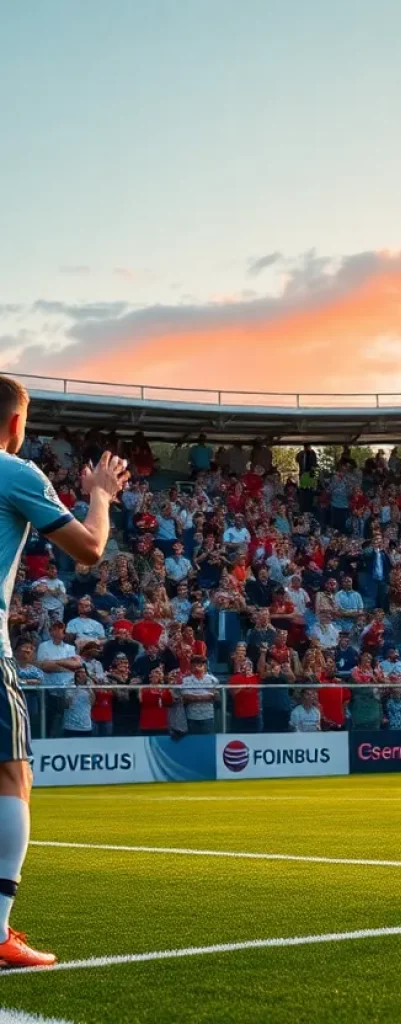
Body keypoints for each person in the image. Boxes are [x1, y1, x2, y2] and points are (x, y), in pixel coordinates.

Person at [0, 375, 129, 968]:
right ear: (16, 424)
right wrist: (99, 495)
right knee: (11, 775)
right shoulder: (16, 471)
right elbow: (90, 550)